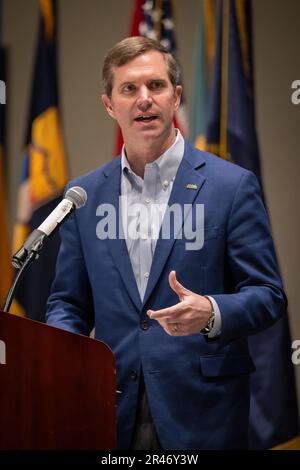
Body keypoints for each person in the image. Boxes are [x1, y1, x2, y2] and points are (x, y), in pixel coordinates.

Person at [46, 36, 286, 450]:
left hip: (202, 412)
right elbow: (68, 302)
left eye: (155, 86)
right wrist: (60, 353)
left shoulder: (231, 187)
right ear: (109, 105)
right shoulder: (83, 196)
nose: (144, 99)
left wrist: (211, 310)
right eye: (129, 89)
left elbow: (268, 296)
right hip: (109, 408)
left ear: (175, 98)